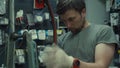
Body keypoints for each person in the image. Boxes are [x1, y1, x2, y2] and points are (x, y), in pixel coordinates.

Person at [41, 0, 119, 68]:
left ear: (83, 12)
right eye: (64, 21)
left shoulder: (103, 32)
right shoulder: (62, 39)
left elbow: (101, 66)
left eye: (71, 19)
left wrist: (71, 63)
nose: (68, 25)